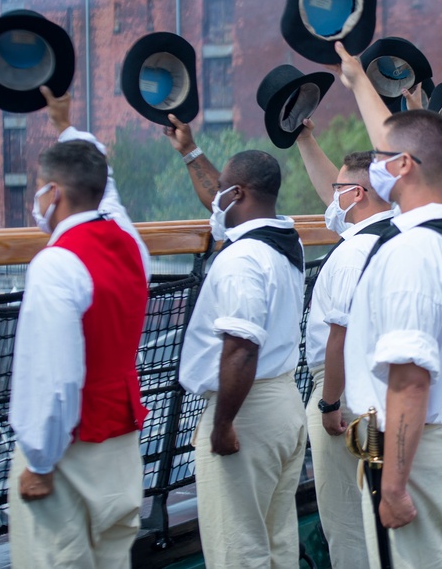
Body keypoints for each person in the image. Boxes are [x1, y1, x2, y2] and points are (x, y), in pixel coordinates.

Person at [333, 41, 442, 568]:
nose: (373, 167)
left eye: (381, 160)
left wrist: (396, 485)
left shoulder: (412, 253)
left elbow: (409, 379)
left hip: (418, 457)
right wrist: (358, 80)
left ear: (403, 165)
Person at [8, 87, 150, 569]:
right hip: (121, 453)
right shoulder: (132, 247)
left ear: (54, 193)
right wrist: (67, 126)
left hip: (69, 460)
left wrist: (40, 464)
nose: (36, 197)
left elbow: (56, 378)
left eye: (39, 186)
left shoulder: (56, 265)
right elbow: (105, 192)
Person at [172, 139, 307, 568]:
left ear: (240, 194)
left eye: (223, 190)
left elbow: (241, 350)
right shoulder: (286, 241)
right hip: (284, 402)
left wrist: (223, 423)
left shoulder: (242, 259)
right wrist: (190, 151)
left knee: (238, 549)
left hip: (246, 409)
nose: (216, 198)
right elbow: (223, 201)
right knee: (276, 539)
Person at [294, 120, 395, 568]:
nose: (330, 197)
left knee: (347, 517)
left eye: (338, 189)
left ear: (356, 196)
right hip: (394, 390)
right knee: (385, 510)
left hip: (349, 397)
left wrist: (328, 404)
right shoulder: (408, 240)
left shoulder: (351, 254)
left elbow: (339, 339)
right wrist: (304, 139)